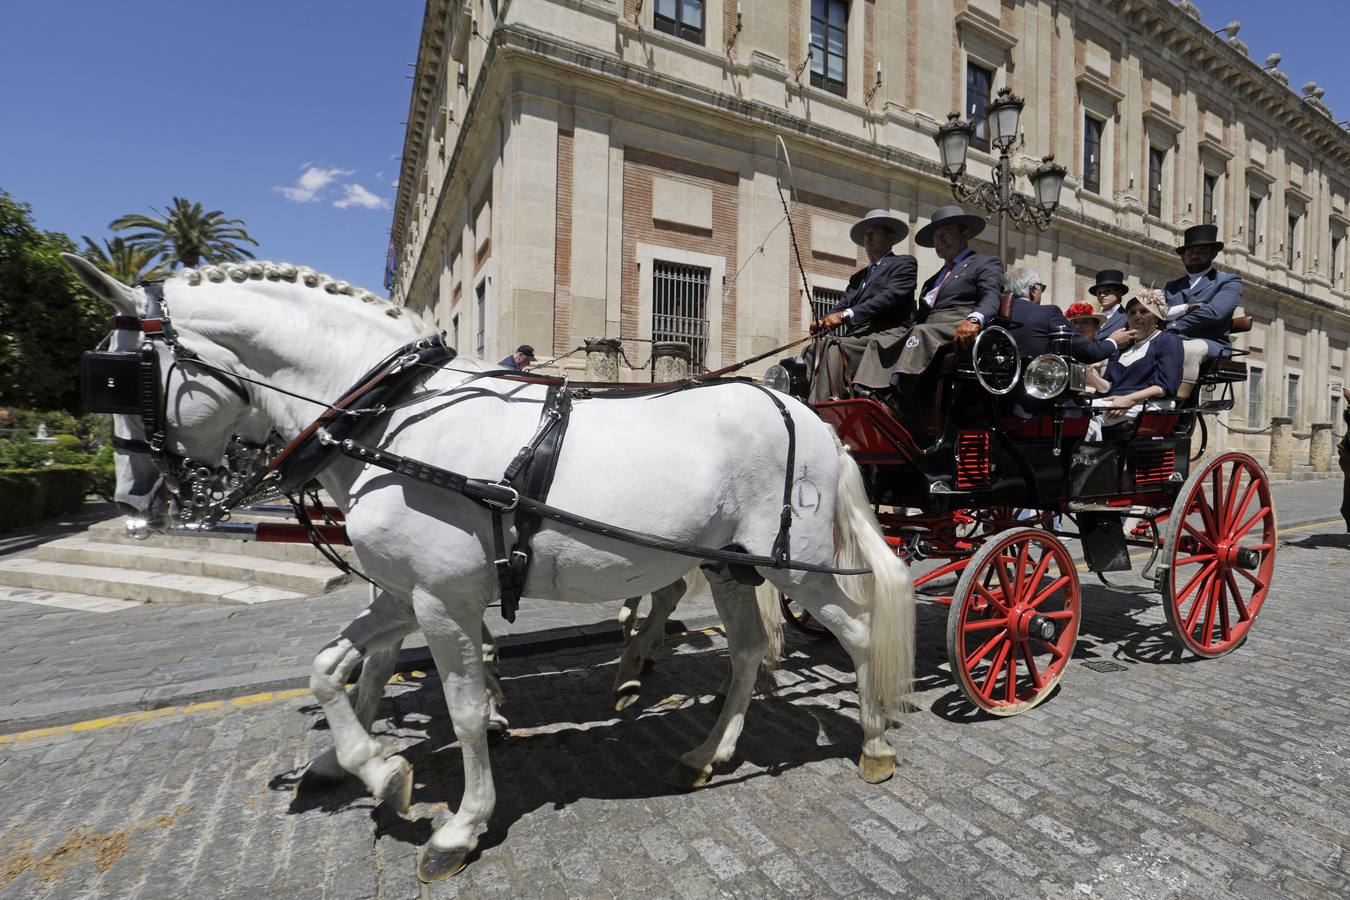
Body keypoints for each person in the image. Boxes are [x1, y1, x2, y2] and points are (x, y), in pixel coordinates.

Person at [808, 210, 917, 400]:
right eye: (866, 235)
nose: (868, 239)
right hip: (859, 335)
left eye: (874, 233)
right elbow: (843, 303)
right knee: (813, 349)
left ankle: (821, 407)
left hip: (888, 333)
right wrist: (824, 321)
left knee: (834, 347)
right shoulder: (858, 277)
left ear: (890, 238)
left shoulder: (904, 264)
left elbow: (887, 297)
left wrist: (845, 316)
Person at [1085, 289, 1183, 436]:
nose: (1137, 316)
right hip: (1115, 401)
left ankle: (1090, 451)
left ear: (1156, 317)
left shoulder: (1168, 340)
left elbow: (1165, 386)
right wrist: (1089, 372)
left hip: (1151, 404)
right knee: (1069, 409)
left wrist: (1129, 399)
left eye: (1144, 311)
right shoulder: (1123, 346)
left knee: (1086, 415)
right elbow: (1108, 387)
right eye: (1132, 312)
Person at [1003, 267, 1133, 362]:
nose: (1103, 295)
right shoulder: (1047, 313)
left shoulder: (996, 313)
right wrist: (1113, 341)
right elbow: (1088, 352)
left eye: (1085, 322)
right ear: (1033, 289)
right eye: (1041, 288)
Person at [1088, 269, 1130, 340]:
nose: (1102, 295)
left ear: (1119, 293)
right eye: (1099, 293)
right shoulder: (1094, 317)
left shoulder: (1127, 317)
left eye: (1107, 291)